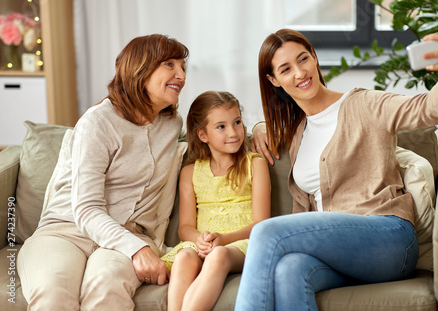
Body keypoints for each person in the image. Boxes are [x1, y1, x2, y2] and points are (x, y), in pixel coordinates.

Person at [234, 29, 438, 311]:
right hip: (340, 254)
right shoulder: (297, 131)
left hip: (388, 239)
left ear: (315, 58)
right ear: (274, 80)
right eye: (286, 69)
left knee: (266, 233)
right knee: (289, 270)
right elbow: (256, 127)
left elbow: (430, 109)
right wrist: (260, 128)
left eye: (303, 59)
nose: (299, 72)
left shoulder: (364, 104)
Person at [17, 34, 189, 310]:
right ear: (140, 68)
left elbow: (216, 124)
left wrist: (262, 129)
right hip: (66, 230)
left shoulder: (171, 123)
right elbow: (86, 208)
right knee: (52, 294)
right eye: (169, 64)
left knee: (106, 290)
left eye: (183, 67)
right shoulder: (98, 122)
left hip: (128, 235)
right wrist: (137, 249)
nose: (180, 74)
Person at [161, 91, 271, 311]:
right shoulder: (190, 172)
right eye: (221, 127)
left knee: (218, 256)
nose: (233, 132)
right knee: (184, 258)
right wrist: (200, 239)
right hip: (203, 243)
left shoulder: (255, 164)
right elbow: (185, 227)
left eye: (237, 122)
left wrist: (224, 239)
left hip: (241, 243)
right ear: (203, 135)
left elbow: (262, 223)